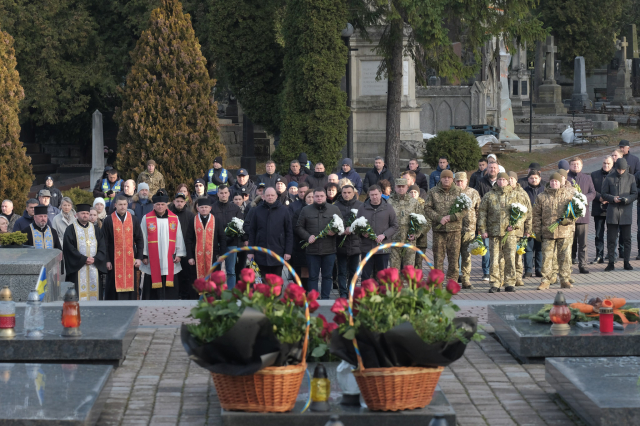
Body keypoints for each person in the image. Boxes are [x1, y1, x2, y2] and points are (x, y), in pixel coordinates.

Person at [478, 173, 529, 292]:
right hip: (494, 232)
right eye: (499, 180)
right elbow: (482, 214)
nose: (502, 182)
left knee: (510, 257)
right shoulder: (489, 195)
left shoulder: (515, 194)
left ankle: (509, 282)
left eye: (504, 180)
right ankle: (495, 283)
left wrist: (515, 224)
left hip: (510, 233)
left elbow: (524, 213)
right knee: (495, 258)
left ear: (507, 181)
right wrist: (483, 230)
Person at [140, 190, 187, 300]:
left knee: (169, 284)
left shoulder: (174, 218)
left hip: (169, 258)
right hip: (152, 258)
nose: (160, 207)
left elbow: (178, 236)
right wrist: (144, 255)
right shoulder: (146, 218)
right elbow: (143, 238)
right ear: (153, 205)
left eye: (162, 204)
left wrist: (179, 254)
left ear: (167, 205)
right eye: (157, 204)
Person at [295, 188, 343, 299]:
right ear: (313, 197)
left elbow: (342, 226)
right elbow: (299, 227)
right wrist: (307, 236)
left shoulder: (334, 209)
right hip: (312, 250)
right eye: (316, 196)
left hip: (329, 250)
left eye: (321, 196)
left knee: (327, 276)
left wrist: (334, 232)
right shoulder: (306, 210)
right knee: (313, 276)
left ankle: (325, 298)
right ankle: (313, 299)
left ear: (325, 197)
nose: (319, 198)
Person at [533, 173, 576, 290]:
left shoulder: (568, 195)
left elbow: (575, 212)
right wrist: (537, 231)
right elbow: (536, 215)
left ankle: (564, 280)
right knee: (547, 257)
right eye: (552, 181)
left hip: (564, 231)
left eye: (556, 181)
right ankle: (545, 280)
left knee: (565, 257)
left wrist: (568, 220)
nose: (554, 183)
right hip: (548, 232)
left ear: (560, 182)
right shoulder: (542, 196)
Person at [425, 170, 468, 281]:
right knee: (438, 259)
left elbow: (465, 209)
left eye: (449, 177)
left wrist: (452, 217)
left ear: (452, 179)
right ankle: (438, 283)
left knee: (454, 260)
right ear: (440, 178)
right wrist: (439, 218)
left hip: (455, 231)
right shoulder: (433, 192)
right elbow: (427, 208)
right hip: (439, 232)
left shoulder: (459, 191)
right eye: (444, 177)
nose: (446, 179)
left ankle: (452, 283)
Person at [102, 196, 144, 300]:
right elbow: (104, 242)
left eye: (125, 204)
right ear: (115, 205)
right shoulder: (108, 220)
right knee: (113, 288)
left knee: (131, 288)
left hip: (130, 261)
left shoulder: (133, 219)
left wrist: (139, 258)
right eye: (120, 204)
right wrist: (107, 260)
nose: (122, 207)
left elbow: (139, 239)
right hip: (113, 260)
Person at [63, 204, 107, 300]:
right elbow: (69, 248)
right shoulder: (70, 229)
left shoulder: (95, 229)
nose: (85, 215)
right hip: (78, 268)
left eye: (87, 213)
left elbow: (102, 246)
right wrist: (83, 259)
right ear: (77, 215)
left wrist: (96, 259)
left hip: (94, 267)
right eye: (83, 213)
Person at [247, 187, 293, 277]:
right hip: (261, 252)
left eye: (272, 195)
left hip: (278, 251)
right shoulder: (257, 211)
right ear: (263, 196)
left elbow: (289, 232)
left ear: (276, 196)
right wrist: (250, 251)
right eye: (268, 195)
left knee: (277, 281)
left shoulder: (284, 211)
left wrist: (288, 251)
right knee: (262, 281)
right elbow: (252, 232)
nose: (270, 197)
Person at [602, 158, 638, 271]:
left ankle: (626, 262)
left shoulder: (631, 178)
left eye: (622, 170)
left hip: (626, 212)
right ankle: (611, 262)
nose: (620, 171)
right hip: (613, 213)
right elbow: (604, 193)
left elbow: (634, 194)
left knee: (627, 239)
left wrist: (626, 199)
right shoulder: (609, 178)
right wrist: (613, 199)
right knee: (611, 239)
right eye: (619, 169)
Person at [356, 185, 398, 280]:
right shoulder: (362, 208)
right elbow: (357, 226)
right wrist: (362, 233)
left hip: (383, 247)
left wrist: (384, 235)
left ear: (381, 194)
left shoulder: (388, 208)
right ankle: (366, 294)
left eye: (376, 194)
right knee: (366, 275)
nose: (374, 197)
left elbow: (395, 225)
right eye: (372, 195)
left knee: (382, 276)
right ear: (369, 195)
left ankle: (382, 294)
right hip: (367, 247)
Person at [186, 197, 227, 285]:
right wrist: (190, 256)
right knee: (195, 280)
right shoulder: (192, 220)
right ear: (197, 208)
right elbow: (188, 239)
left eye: (206, 207)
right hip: (196, 257)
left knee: (214, 280)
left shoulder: (216, 220)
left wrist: (222, 254)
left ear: (210, 208)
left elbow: (222, 238)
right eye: (201, 207)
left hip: (213, 256)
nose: (204, 209)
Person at [567, 157, 596, 273]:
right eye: (573, 164)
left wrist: (584, 198)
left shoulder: (587, 178)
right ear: (569, 166)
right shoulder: (566, 178)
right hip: (569, 216)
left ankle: (583, 265)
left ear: (582, 166)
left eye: (577, 164)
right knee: (570, 242)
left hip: (583, 216)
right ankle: (568, 264)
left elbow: (593, 192)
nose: (575, 166)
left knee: (583, 242)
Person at [211, 185, 243, 288]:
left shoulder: (235, 208)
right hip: (216, 244)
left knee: (231, 271)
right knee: (216, 271)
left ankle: (231, 294)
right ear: (218, 194)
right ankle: (217, 293)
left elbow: (240, 226)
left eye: (225, 192)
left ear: (229, 193)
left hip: (231, 243)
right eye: (221, 193)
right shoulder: (212, 208)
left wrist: (228, 238)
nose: (223, 195)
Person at [387, 178, 423, 271]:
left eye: (403, 186)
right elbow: (384, 220)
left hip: (409, 240)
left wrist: (415, 234)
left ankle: (408, 286)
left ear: (407, 188)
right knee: (394, 270)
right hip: (394, 240)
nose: (401, 189)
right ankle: (395, 286)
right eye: (399, 187)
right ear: (395, 187)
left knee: (409, 270)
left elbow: (421, 221)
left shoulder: (414, 202)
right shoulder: (389, 202)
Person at [335, 184, 363, 298]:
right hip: (340, 243)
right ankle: (343, 292)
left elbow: (364, 222)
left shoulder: (360, 206)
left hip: (355, 243)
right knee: (341, 271)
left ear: (353, 193)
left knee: (353, 271)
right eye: (344, 193)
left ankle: (351, 291)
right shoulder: (336, 206)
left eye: (349, 192)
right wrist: (340, 230)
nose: (346, 195)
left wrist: (354, 229)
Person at [455, 172, 481, 289]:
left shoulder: (473, 193)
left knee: (466, 255)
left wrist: (479, 227)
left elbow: (479, 211)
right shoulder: (451, 193)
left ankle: (466, 279)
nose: (460, 183)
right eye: (458, 181)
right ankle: (454, 278)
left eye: (462, 181)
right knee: (454, 256)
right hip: (454, 229)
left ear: (466, 181)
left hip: (469, 229)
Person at [169, 191, 196, 299]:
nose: (179, 203)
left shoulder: (190, 215)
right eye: (177, 201)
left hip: (186, 249)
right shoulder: (169, 214)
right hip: (172, 249)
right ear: (174, 202)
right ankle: (175, 295)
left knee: (186, 274)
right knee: (175, 275)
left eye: (181, 201)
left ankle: (186, 295)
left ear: (185, 202)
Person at [508, 171, 533, 287]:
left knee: (518, 255)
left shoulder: (522, 193)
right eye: (508, 178)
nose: (510, 181)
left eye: (512, 178)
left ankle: (518, 276)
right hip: (505, 230)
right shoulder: (503, 193)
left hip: (518, 230)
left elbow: (528, 213)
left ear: (516, 180)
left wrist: (528, 229)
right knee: (506, 255)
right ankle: (507, 277)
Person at [291, 190, 314, 290]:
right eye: (309, 197)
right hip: (301, 245)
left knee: (312, 271)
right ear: (304, 198)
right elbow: (296, 227)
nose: (311, 199)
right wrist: (307, 236)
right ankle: (303, 291)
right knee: (303, 271)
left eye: (313, 197)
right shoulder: (299, 211)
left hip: (317, 246)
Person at [523, 171, 545, 276]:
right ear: (528, 179)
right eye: (531, 178)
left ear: (540, 179)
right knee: (528, 248)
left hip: (541, 224)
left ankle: (539, 269)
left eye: (536, 178)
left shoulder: (544, 190)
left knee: (539, 248)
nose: (534, 180)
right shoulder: (524, 192)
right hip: (528, 224)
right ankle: (528, 270)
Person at [592, 156, 613, 264]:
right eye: (604, 163)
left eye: (608, 163)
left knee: (611, 234)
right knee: (598, 234)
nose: (606, 165)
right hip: (598, 207)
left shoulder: (615, 175)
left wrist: (608, 198)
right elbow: (591, 190)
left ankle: (611, 254)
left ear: (612, 164)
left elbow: (618, 190)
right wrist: (599, 197)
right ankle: (599, 255)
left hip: (611, 208)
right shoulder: (594, 174)